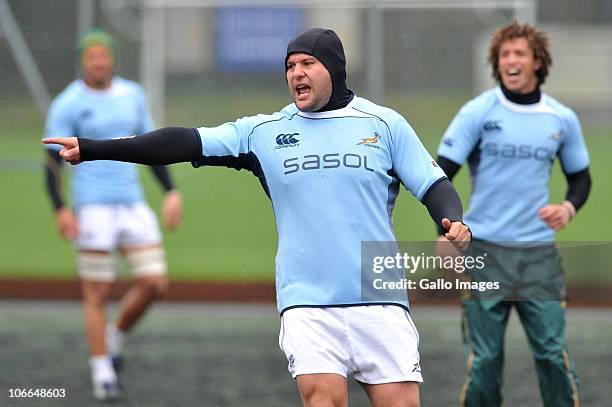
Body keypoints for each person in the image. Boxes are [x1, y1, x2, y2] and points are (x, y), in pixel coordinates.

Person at [45, 28, 470, 407]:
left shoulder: (385, 124)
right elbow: (184, 142)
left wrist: (452, 220)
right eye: (290, 66)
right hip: (307, 304)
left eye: (308, 63)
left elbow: (434, 186)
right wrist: (96, 147)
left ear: (335, 69)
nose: (296, 73)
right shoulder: (263, 133)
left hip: (379, 298)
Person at [435, 20, 591, 406]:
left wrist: (568, 207)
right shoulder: (478, 111)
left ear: (538, 61)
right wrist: (446, 230)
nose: (511, 60)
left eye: (519, 53)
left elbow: (581, 179)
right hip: (483, 253)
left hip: (538, 256)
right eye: (505, 54)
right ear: (497, 63)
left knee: (552, 355)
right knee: (485, 362)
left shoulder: (561, 118)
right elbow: (438, 177)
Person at [42, 29, 183, 401]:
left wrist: (171, 192)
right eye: (92, 56)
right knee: (97, 291)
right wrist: (61, 209)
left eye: (104, 55)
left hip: (132, 203)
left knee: (155, 282)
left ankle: (115, 334)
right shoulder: (69, 102)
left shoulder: (132, 95)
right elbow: (50, 164)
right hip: (92, 207)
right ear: (83, 60)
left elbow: (151, 148)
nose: (99, 61)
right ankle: (102, 370)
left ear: (112, 59)